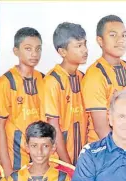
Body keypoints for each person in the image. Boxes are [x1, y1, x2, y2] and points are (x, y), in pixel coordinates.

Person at [0, 27, 46, 176]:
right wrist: (6, 166)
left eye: (38, 49)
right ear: (16, 51)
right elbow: (0, 126)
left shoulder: (43, 79)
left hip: (40, 153)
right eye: (28, 49)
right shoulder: (6, 82)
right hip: (16, 156)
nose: (34, 54)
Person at [82, 15, 126, 143]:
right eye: (113, 35)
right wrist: (122, 154)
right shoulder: (95, 74)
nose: (120, 40)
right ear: (100, 40)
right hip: (104, 151)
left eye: (124, 35)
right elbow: (101, 128)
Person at [45, 22, 88, 166]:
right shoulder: (52, 81)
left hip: (81, 159)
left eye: (85, 44)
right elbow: (53, 127)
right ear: (62, 52)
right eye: (78, 46)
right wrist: (67, 165)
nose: (84, 50)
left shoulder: (83, 77)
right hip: (60, 163)